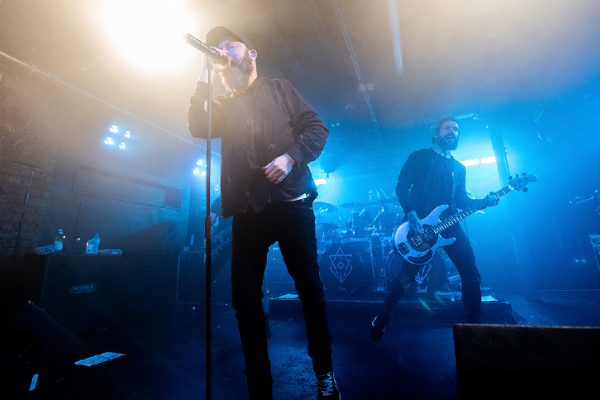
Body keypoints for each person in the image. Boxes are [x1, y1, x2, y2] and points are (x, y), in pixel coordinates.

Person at [187, 26, 341, 400]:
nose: (224, 53)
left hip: (291, 203)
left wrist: (291, 157)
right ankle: (259, 384)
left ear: (251, 53)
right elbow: (197, 126)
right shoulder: (225, 105)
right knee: (244, 299)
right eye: (219, 49)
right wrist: (203, 77)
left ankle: (324, 373)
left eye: (231, 46)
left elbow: (317, 129)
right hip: (248, 210)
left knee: (309, 289)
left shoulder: (279, 89)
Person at [369, 117, 500, 342]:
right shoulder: (420, 157)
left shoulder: (459, 168)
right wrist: (411, 214)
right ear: (436, 133)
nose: (452, 131)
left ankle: (474, 328)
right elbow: (401, 187)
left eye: (456, 129)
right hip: (419, 226)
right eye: (447, 128)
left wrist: (484, 202)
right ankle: (382, 318)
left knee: (470, 274)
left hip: (450, 227)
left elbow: (461, 200)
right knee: (406, 277)